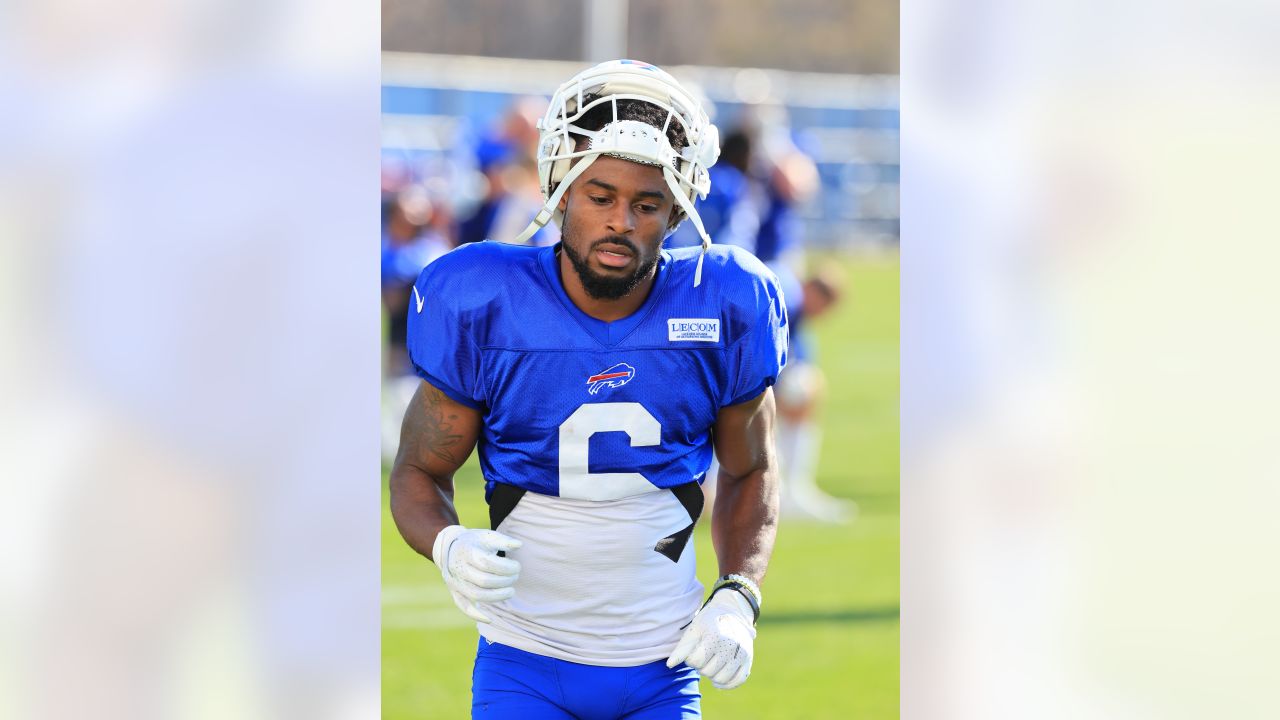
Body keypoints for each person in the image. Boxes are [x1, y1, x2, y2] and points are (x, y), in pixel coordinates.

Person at [389, 59, 788, 719]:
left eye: (647, 203)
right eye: (600, 195)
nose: (622, 221)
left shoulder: (725, 300)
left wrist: (738, 594)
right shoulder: (485, 298)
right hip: (524, 660)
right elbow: (418, 470)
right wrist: (446, 542)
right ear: (560, 192)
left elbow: (753, 470)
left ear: (678, 208)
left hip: (665, 663)